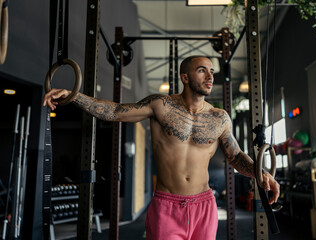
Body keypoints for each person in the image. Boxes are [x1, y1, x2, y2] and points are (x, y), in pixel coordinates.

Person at [43, 55, 280, 240]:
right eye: (202, 71)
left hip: (204, 205)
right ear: (185, 77)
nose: (209, 76)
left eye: (211, 71)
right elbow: (115, 111)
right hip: (167, 205)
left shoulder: (220, 118)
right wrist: (75, 96)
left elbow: (236, 155)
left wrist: (261, 174)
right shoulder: (160, 105)